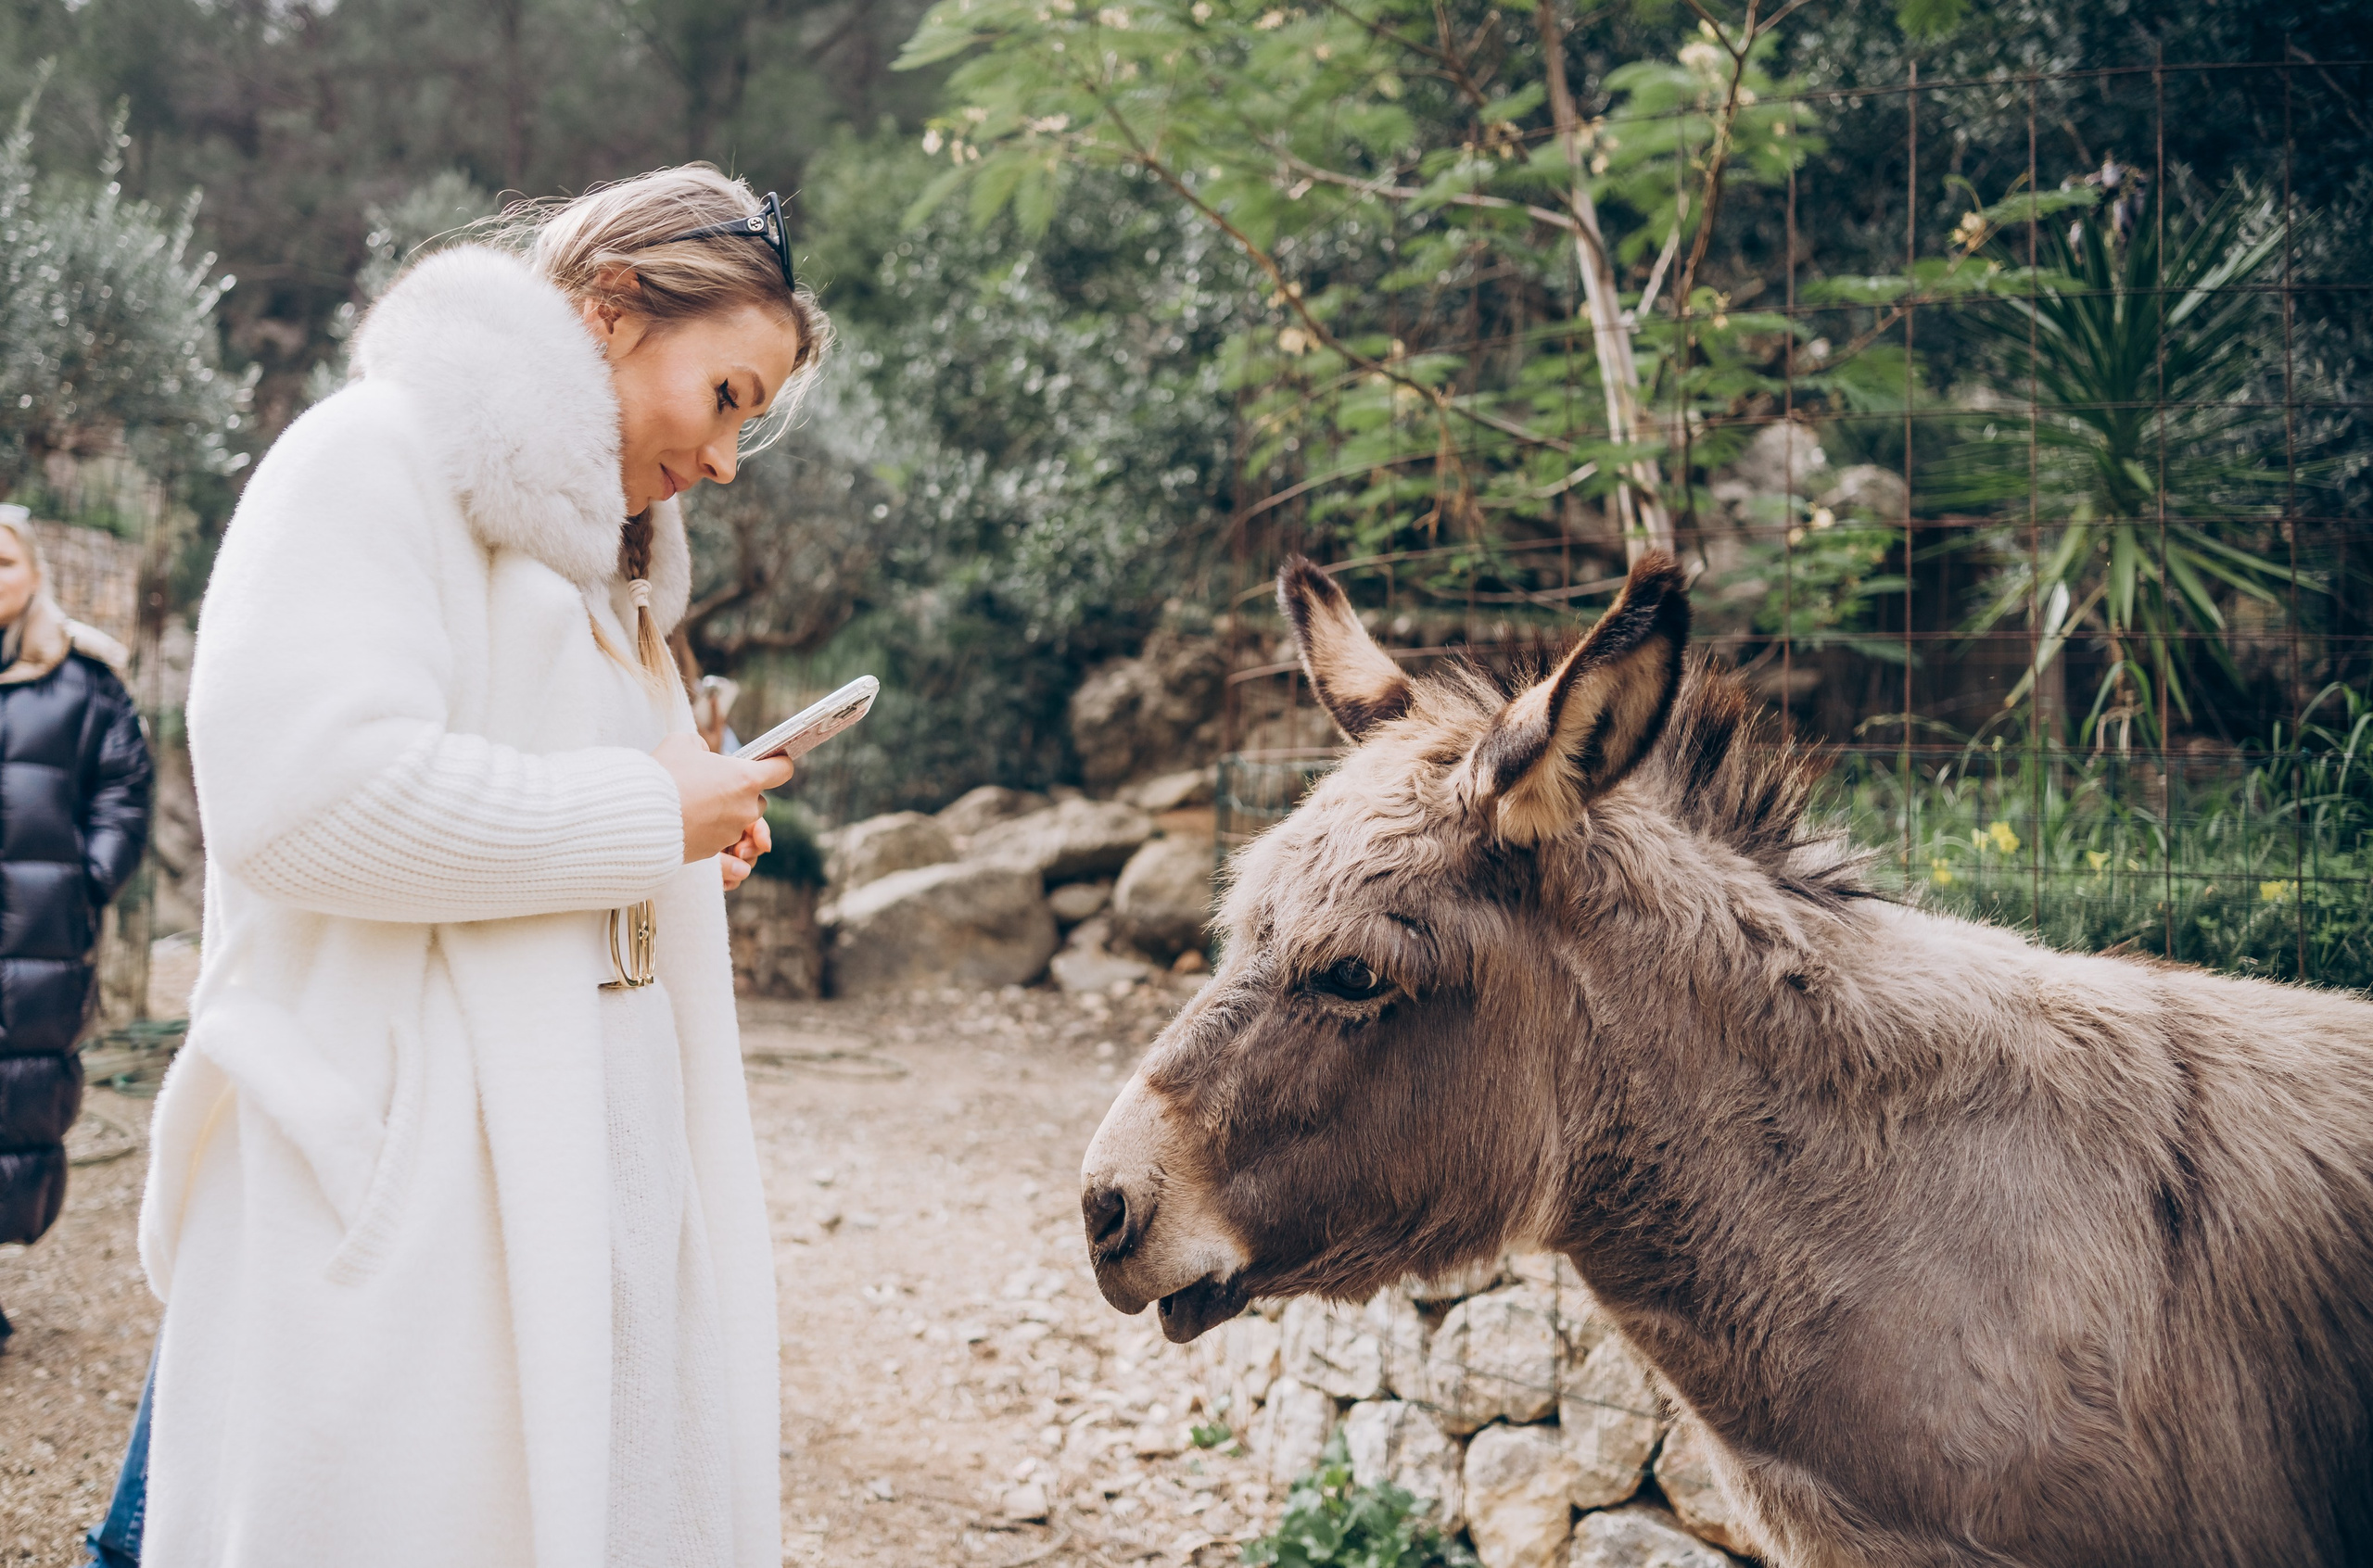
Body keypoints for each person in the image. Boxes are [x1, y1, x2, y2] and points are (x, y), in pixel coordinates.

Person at [99, 165, 827, 1568]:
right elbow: (302, 805)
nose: (729, 459)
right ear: (614, 309)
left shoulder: (601, 577)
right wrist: (641, 813)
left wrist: (682, 845)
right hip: (414, 1204)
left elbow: (540, 836)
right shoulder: (368, 457)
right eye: (727, 397)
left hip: (566, 1194)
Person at [0, 506, 153, 1347]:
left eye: (4, 561)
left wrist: (89, 878)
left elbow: (124, 787)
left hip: (39, 937)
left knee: (17, 1098)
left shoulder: (85, 679)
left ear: (35, 572)